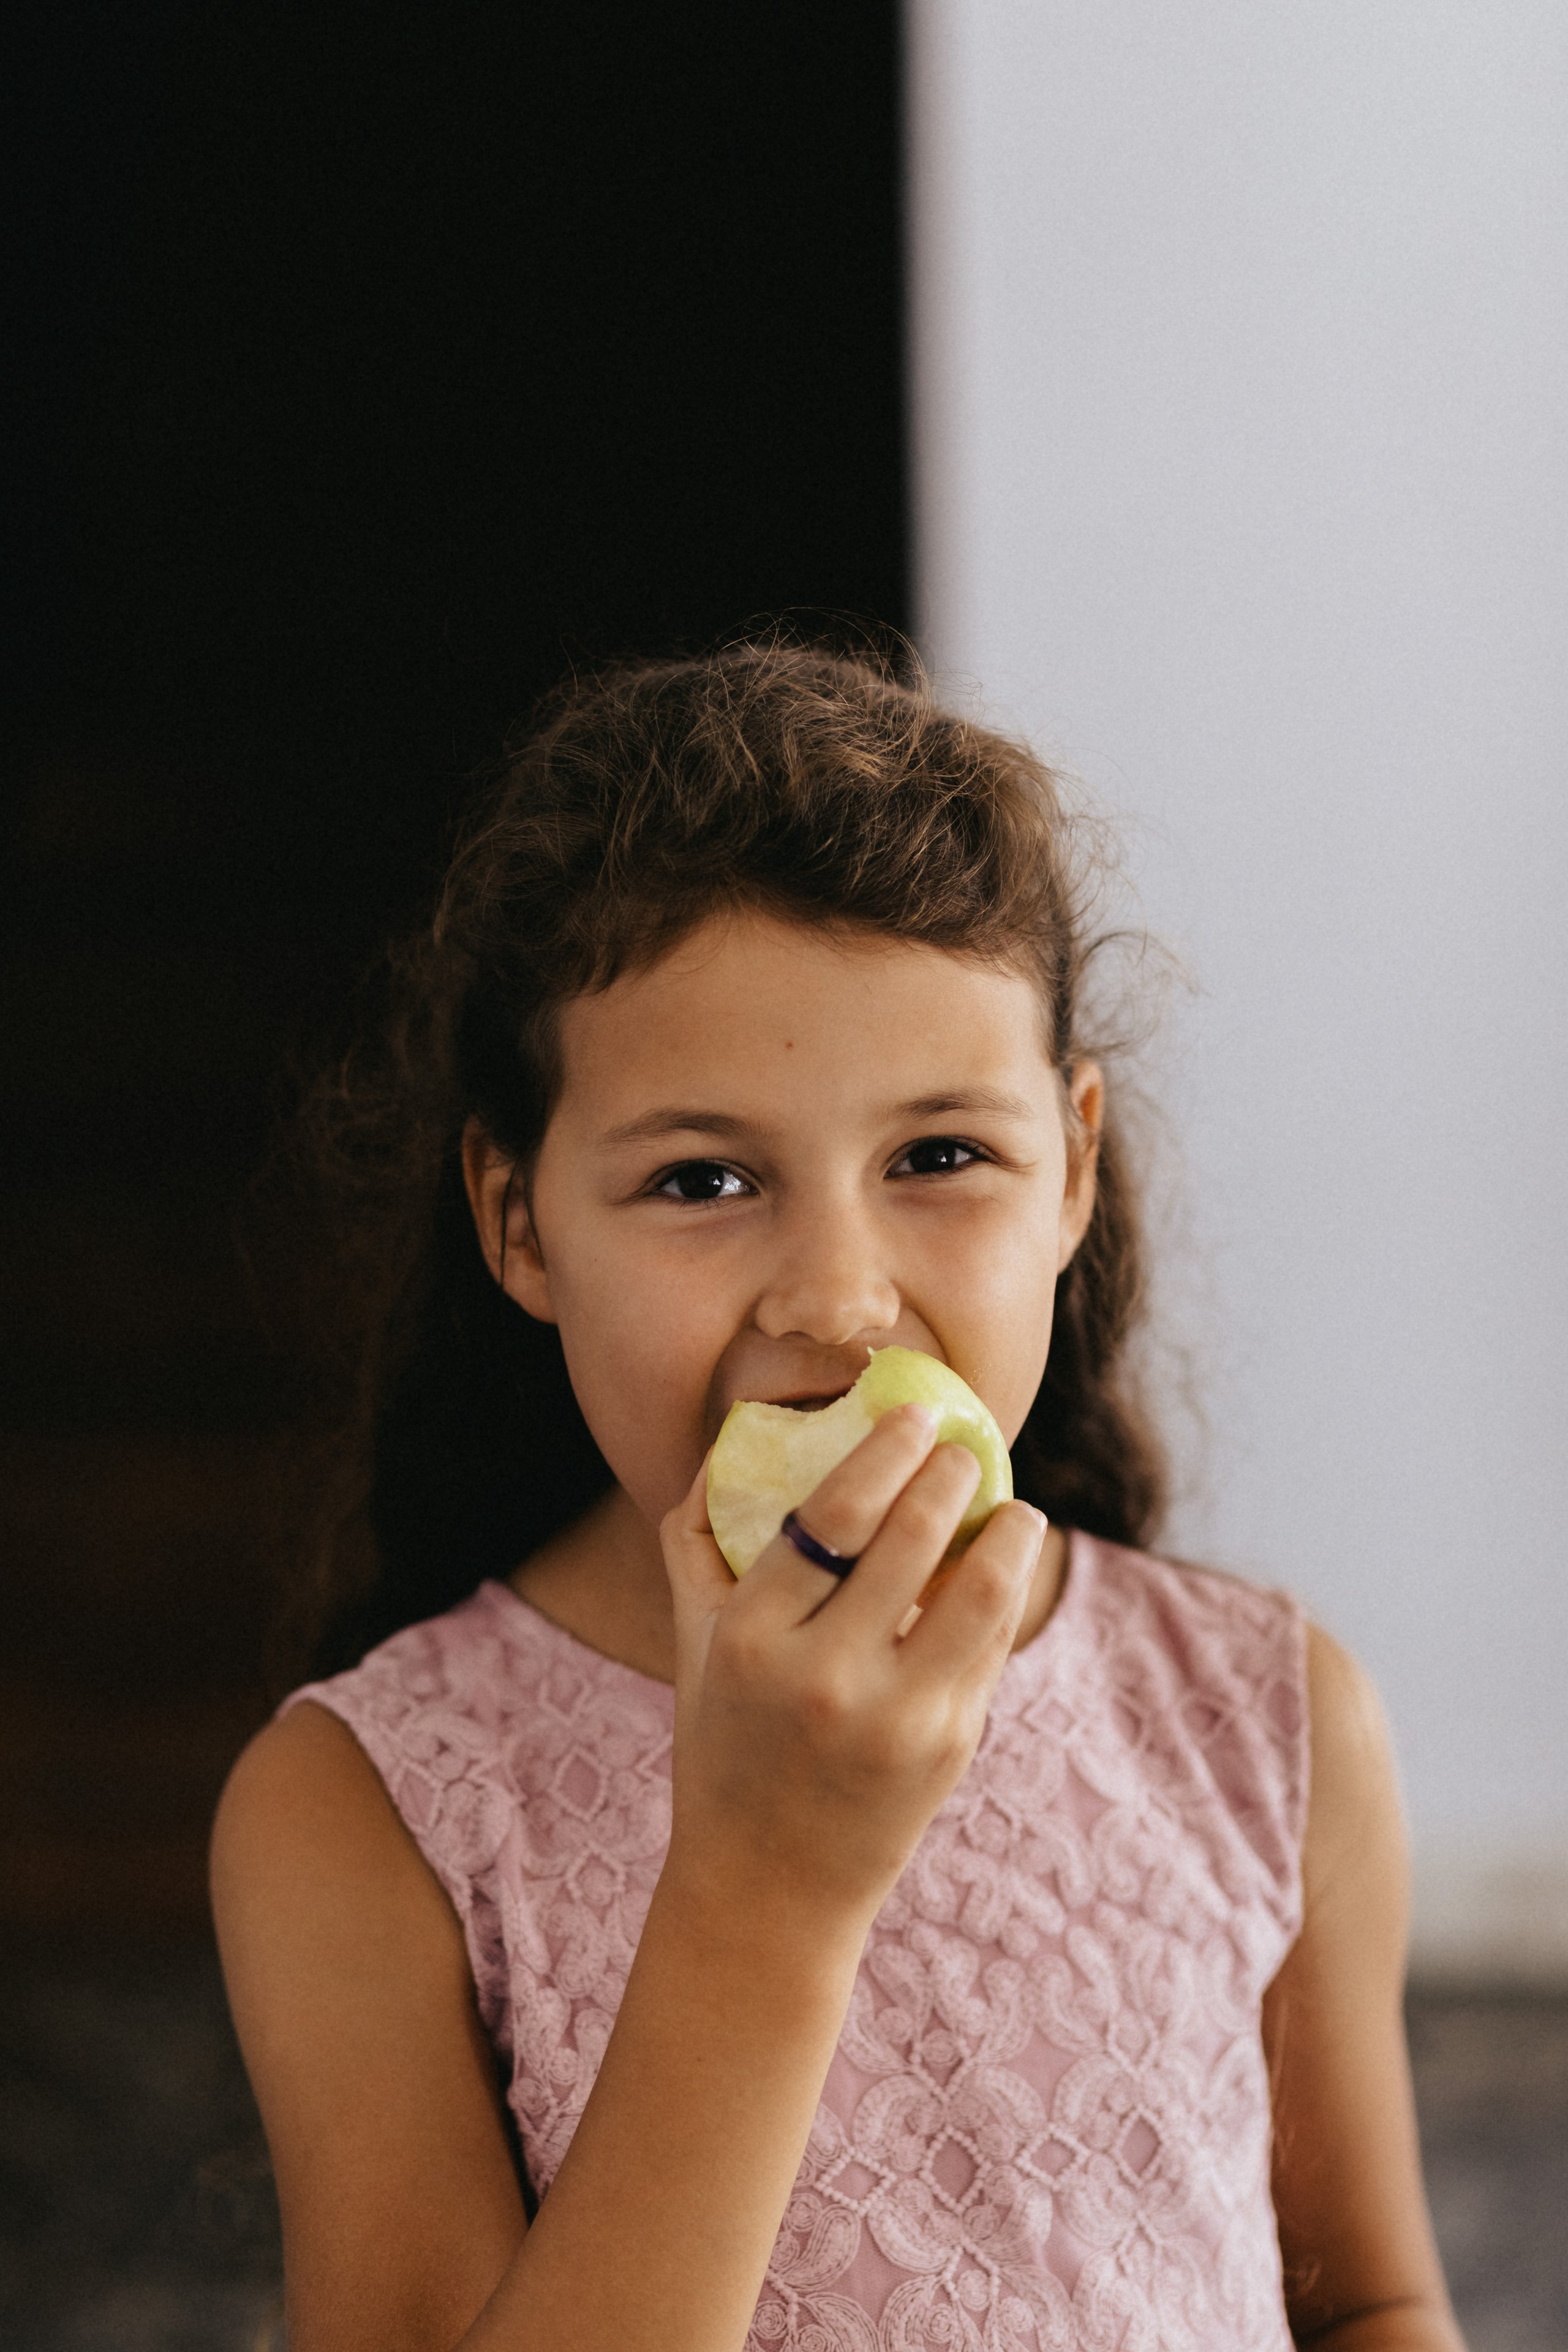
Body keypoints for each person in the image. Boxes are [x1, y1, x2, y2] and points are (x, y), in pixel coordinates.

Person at [212, 641, 1463, 2352]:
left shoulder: (1266, 1718)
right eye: (701, 1179)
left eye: (940, 1156)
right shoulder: (364, 1817)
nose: (839, 1299)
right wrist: (764, 1895)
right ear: (521, 1225)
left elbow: (1368, 2299)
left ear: (1073, 1166)